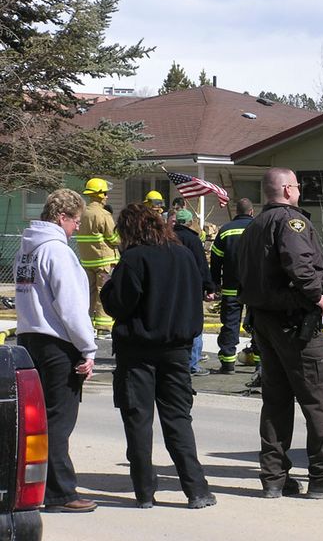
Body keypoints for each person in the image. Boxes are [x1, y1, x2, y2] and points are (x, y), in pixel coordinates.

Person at [238, 167, 323, 500]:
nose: (300, 190)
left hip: (265, 321)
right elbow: (300, 264)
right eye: (297, 185)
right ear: (287, 189)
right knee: (318, 399)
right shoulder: (291, 222)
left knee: (276, 401)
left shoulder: (254, 226)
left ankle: (274, 477)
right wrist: (318, 296)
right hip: (295, 323)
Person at [100, 204, 216, 510]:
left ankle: (144, 491)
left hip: (138, 351)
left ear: (129, 230)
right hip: (178, 350)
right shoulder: (185, 256)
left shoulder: (133, 259)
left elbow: (118, 304)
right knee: (178, 419)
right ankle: (197, 489)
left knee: (138, 420)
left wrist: (108, 286)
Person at [14, 189, 97, 513]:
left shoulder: (27, 252)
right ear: (62, 217)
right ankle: (61, 493)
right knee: (58, 422)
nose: (77, 228)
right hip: (58, 344)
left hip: (29, 339)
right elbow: (72, 307)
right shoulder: (58, 253)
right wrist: (87, 348)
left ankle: (33, 485)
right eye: (75, 221)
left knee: (36, 422)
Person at [210, 198, 255, 374]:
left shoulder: (225, 231)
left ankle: (228, 363)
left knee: (230, 324)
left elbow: (215, 260)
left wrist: (214, 284)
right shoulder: (258, 228)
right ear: (251, 212)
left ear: (237, 211)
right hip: (255, 287)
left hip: (231, 287)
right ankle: (260, 362)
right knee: (257, 323)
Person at [174, 209, 215, 376]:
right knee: (195, 325)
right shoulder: (193, 240)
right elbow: (202, 266)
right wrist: (209, 287)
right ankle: (193, 363)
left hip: (172, 288)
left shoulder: (167, 238)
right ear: (191, 223)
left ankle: (177, 361)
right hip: (192, 288)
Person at [76, 177, 119, 339]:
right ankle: (103, 328)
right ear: (100, 195)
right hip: (104, 261)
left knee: (88, 293)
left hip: (87, 260)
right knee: (103, 293)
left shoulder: (82, 213)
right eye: (105, 193)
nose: (107, 196)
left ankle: (85, 325)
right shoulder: (103, 214)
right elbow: (114, 238)